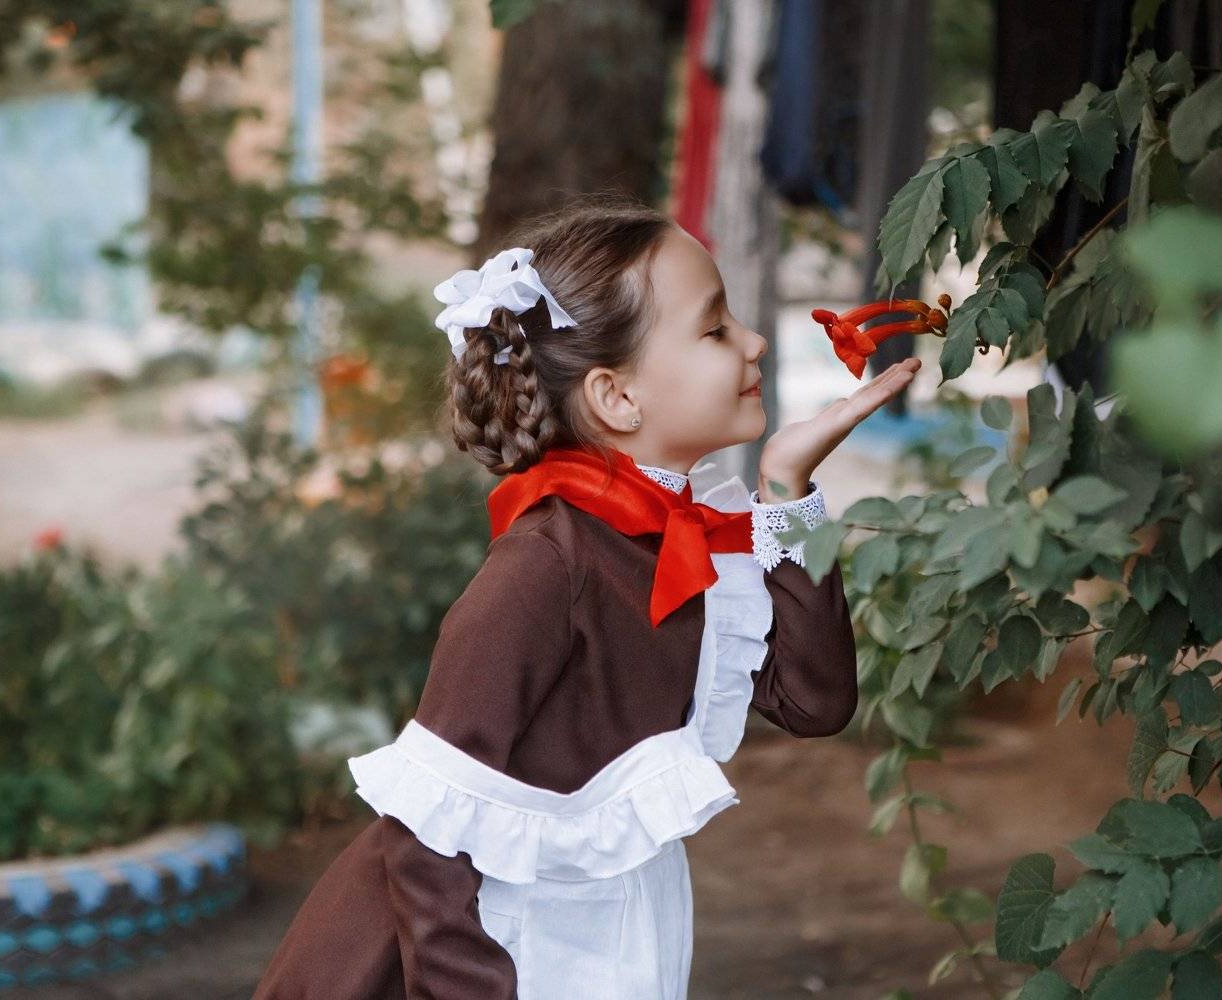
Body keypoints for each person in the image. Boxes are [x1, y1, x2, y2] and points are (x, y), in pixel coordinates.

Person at [252, 193, 922, 999]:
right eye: (715, 329)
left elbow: (817, 702)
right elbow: (425, 831)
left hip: (614, 931)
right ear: (617, 397)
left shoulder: (684, 534)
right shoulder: (543, 567)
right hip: (502, 948)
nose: (753, 342)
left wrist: (789, 490)